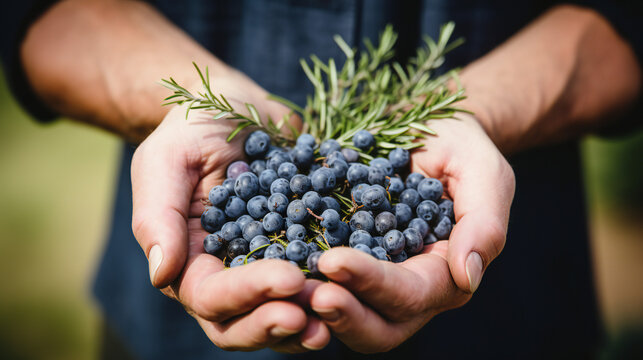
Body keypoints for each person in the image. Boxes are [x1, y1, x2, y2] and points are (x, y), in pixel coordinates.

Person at [1, 0, 640, 358]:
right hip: (162, 340)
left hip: (508, 323)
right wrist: (195, 99)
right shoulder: (263, 202)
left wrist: (474, 109)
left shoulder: (380, 202)